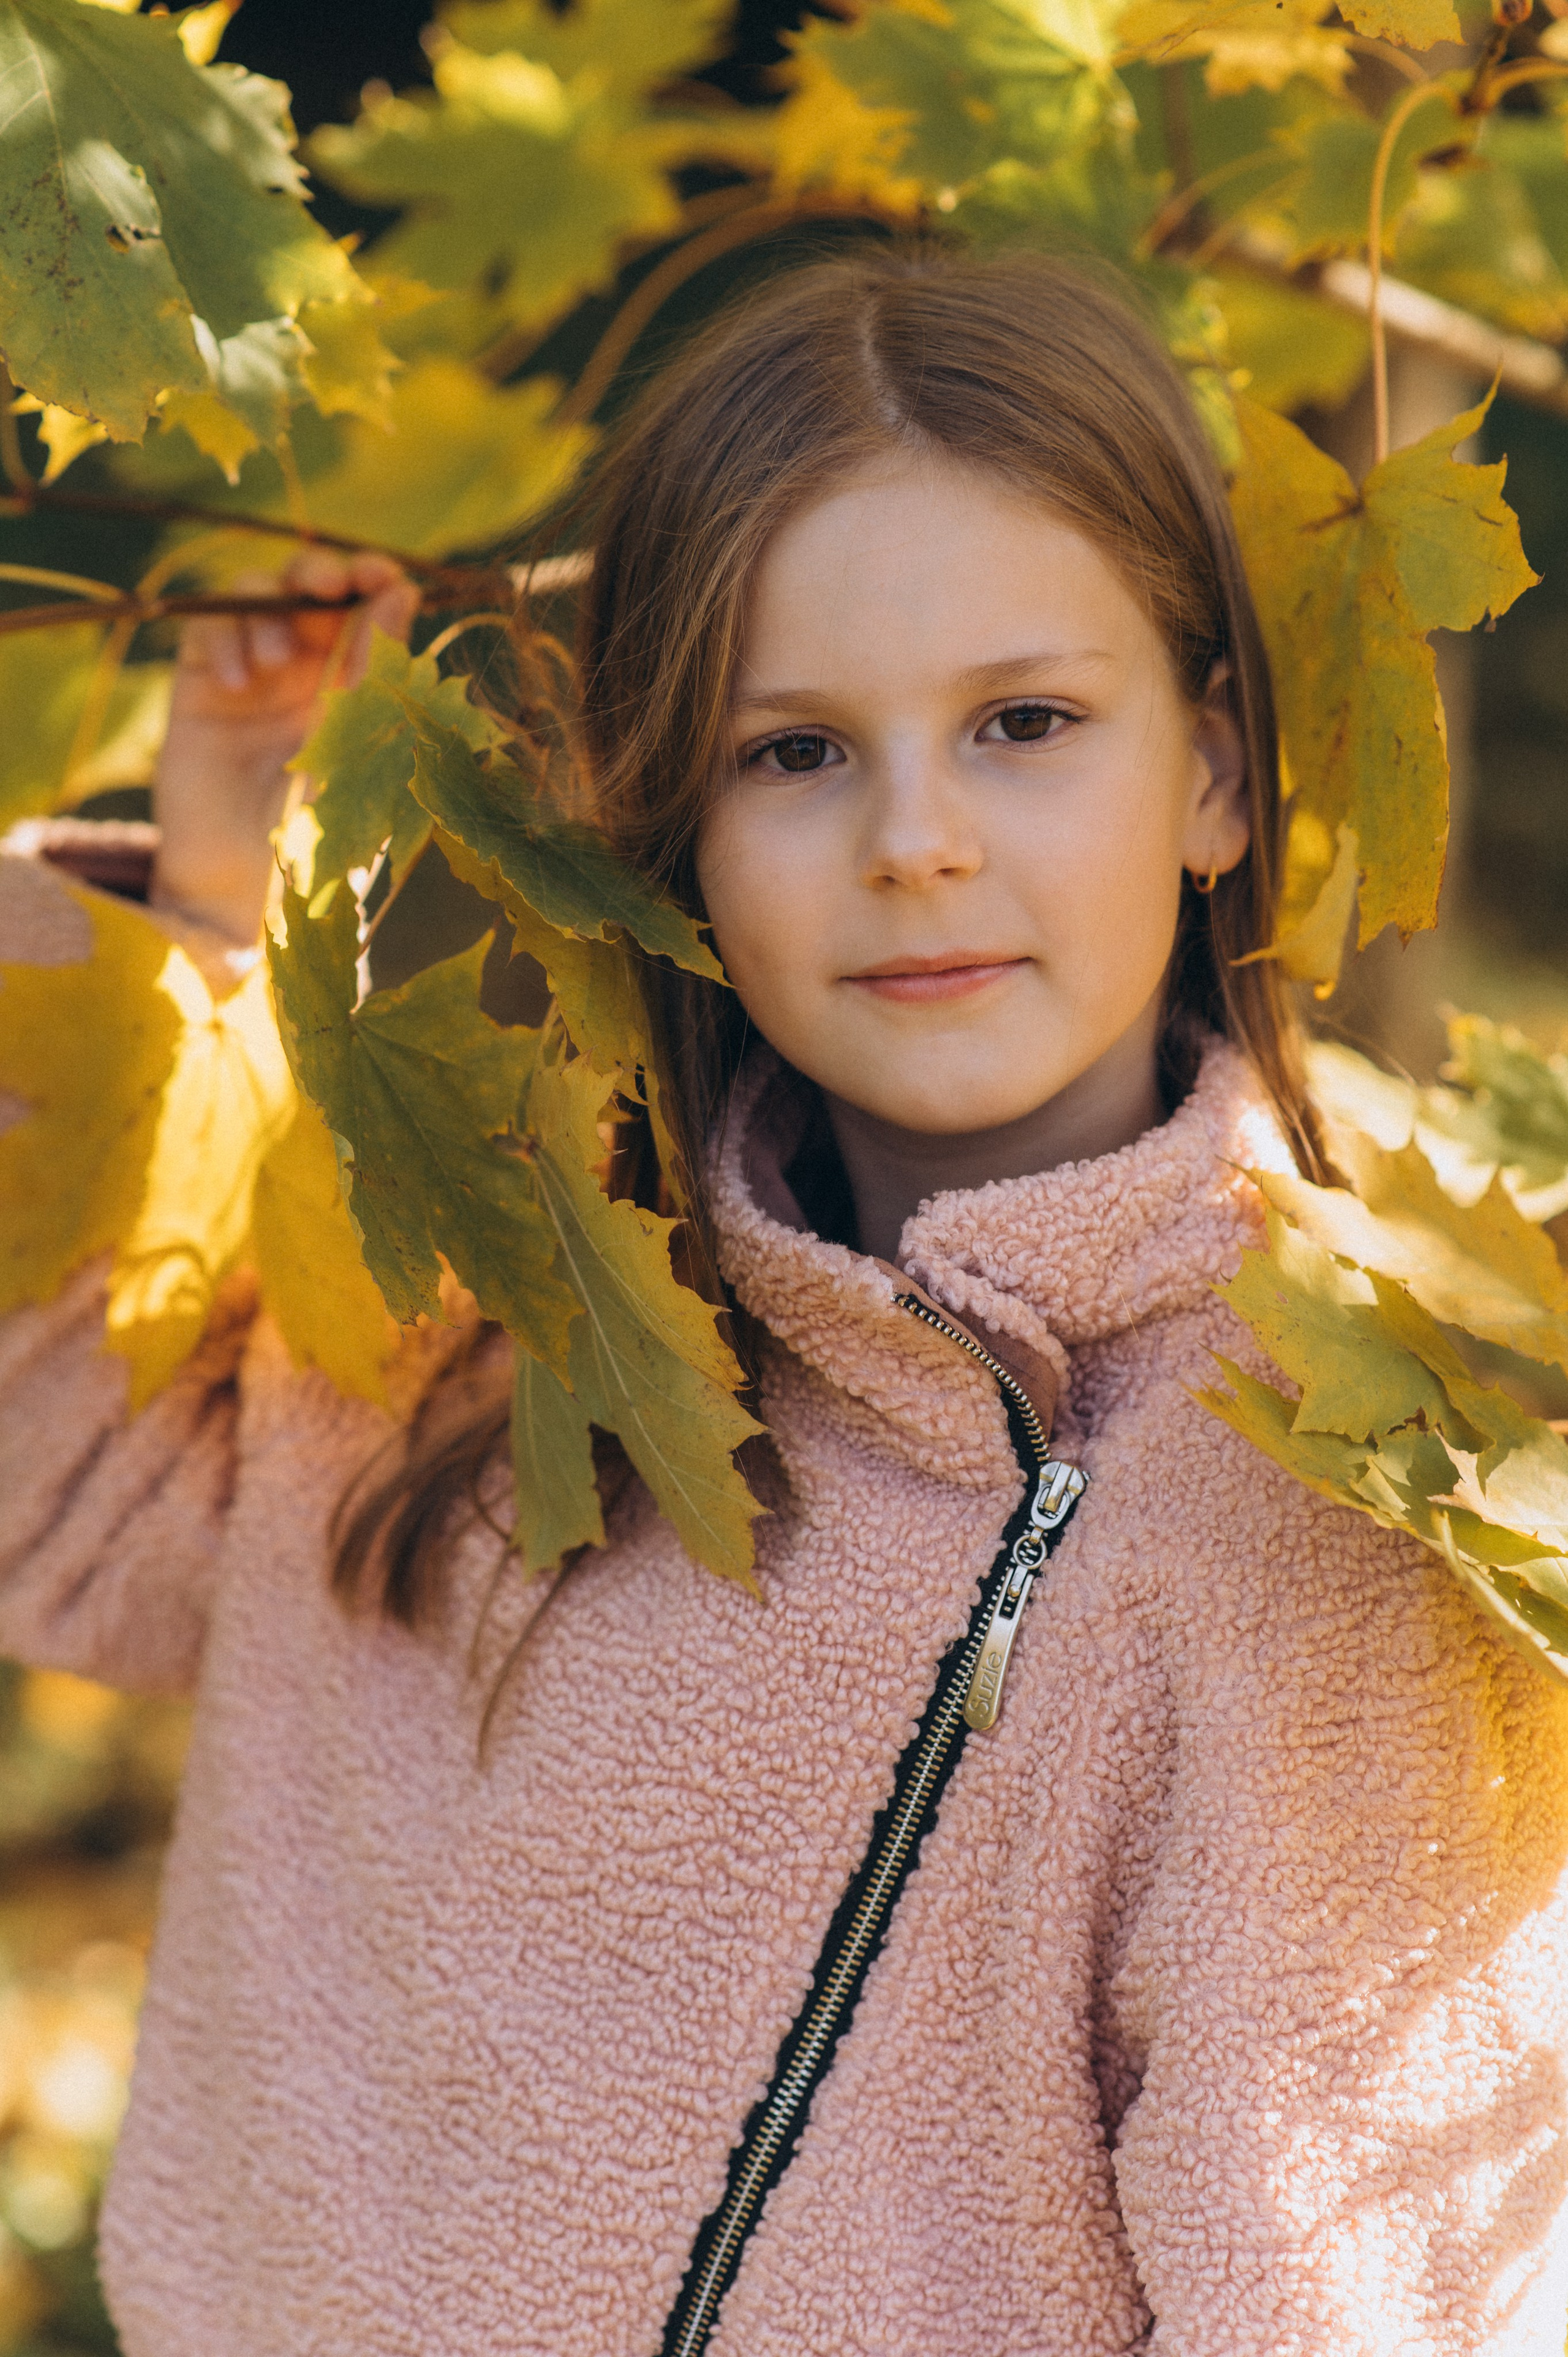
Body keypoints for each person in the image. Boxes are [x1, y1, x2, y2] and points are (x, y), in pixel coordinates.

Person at [3, 247, 1567, 2357]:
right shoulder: (490, 1320)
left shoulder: (1323, 1500)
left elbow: (1353, 2296)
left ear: (1209, 775)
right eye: (796, 752)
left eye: (1025, 724)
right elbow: (51, 1492)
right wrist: (205, 909)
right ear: (662, 818)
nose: (915, 839)